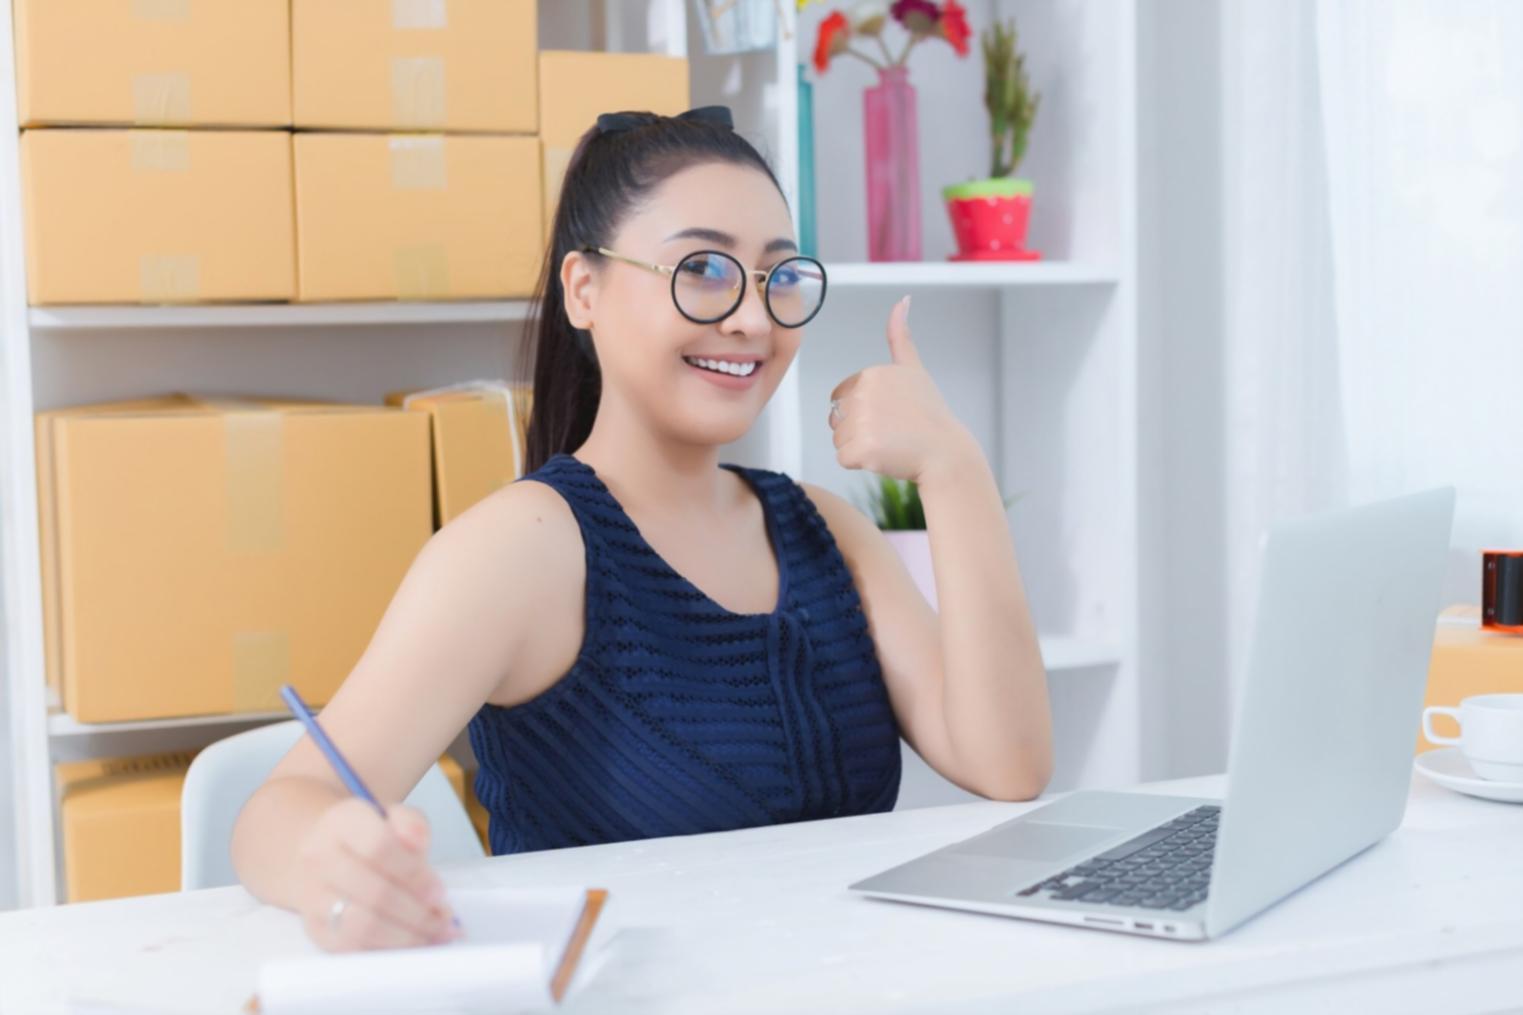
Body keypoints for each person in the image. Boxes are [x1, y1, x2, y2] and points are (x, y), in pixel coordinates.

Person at [231, 106, 1051, 952]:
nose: (751, 318)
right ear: (583, 289)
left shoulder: (824, 528)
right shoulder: (523, 548)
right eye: (701, 268)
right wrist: (336, 870)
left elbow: (1009, 763)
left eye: (777, 276)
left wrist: (954, 469)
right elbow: (279, 809)